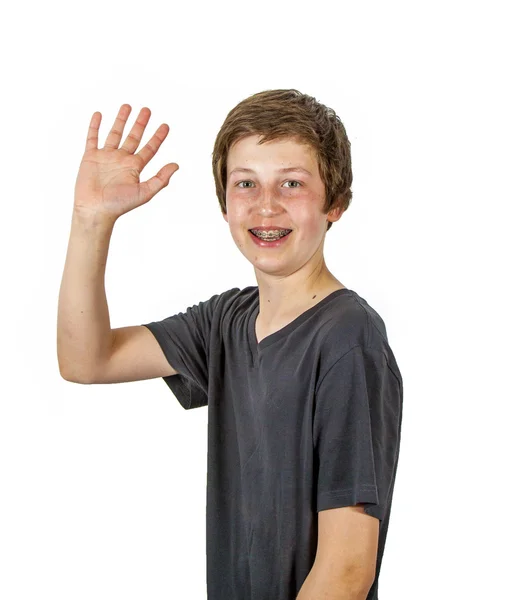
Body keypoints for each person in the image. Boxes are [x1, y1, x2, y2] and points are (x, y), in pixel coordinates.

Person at [57, 89, 403, 600]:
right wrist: (91, 221)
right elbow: (87, 360)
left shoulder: (349, 338)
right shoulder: (227, 320)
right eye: (246, 183)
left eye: (292, 183)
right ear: (224, 203)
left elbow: (347, 569)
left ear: (336, 202)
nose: (267, 204)